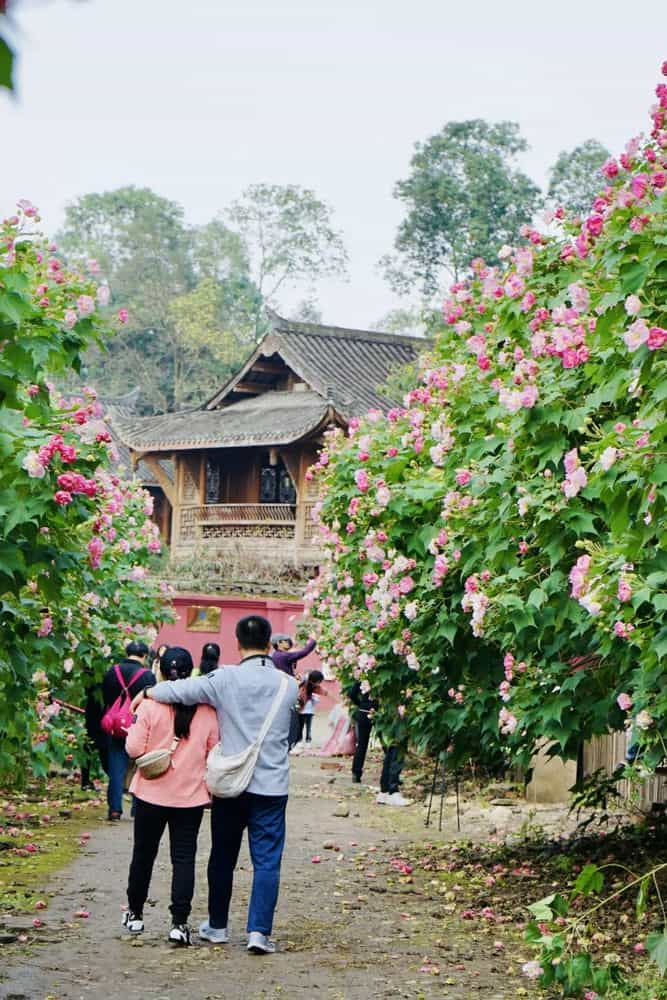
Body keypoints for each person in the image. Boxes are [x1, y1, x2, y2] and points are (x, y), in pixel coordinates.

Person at [132, 615, 298, 956]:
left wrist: (147, 690)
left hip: (231, 785)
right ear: (270, 645)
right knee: (267, 861)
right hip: (272, 785)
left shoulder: (223, 678)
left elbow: (178, 690)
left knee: (223, 855)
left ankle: (218, 926)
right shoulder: (288, 685)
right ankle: (258, 933)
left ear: (237, 644)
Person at [123, 647, 218, 946]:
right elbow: (214, 752)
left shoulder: (149, 707)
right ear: (190, 674)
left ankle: (136, 916)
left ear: (161, 672)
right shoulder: (207, 710)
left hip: (151, 794)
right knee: (184, 859)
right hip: (190, 798)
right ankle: (179, 923)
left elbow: (134, 749)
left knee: (143, 855)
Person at [102, 640, 155, 821]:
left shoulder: (112, 672)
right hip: (138, 724)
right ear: (145, 656)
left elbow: (106, 698)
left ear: (126, 652)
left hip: (116, 726)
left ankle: (115, 809)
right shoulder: (147, 676)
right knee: (140, 767)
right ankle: (137, 808)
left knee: (116, 769)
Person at [348, 680, 378, 784]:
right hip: (379, 712)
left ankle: (356, 773)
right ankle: (391, 774)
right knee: (387, 744)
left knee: (361, 745)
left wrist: (361, 704)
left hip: (363, 712)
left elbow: (352, 694)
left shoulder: (364, 677)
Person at [296, 669, 324, 746]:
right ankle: (299, 740)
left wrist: (313, 698)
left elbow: (316, 701)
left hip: (310, 711)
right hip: (301, 711)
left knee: (308, 727)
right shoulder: (302, 688)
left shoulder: (315, 691)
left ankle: (308, 740)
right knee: (300, 726)